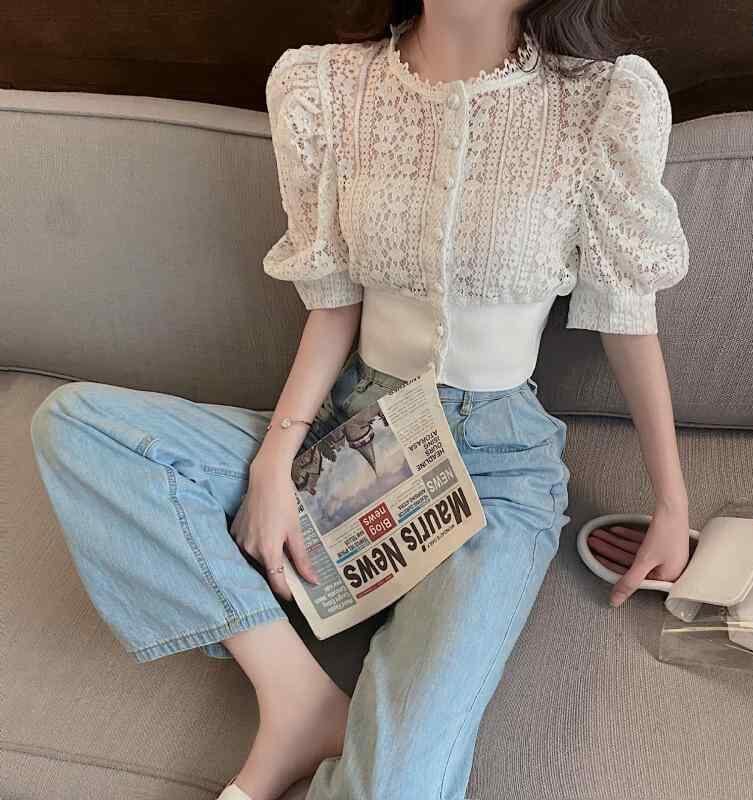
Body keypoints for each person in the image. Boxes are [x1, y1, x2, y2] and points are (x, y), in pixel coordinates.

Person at [29, 1, 692, 799]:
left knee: (397, 785)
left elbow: (627, 315)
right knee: (78, 428)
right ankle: (297, 700)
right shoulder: (328, 87)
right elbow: (333, 303)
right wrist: (275, 462)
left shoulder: (604, 101)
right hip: (351, 435)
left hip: (494, 475)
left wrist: (671, 502)